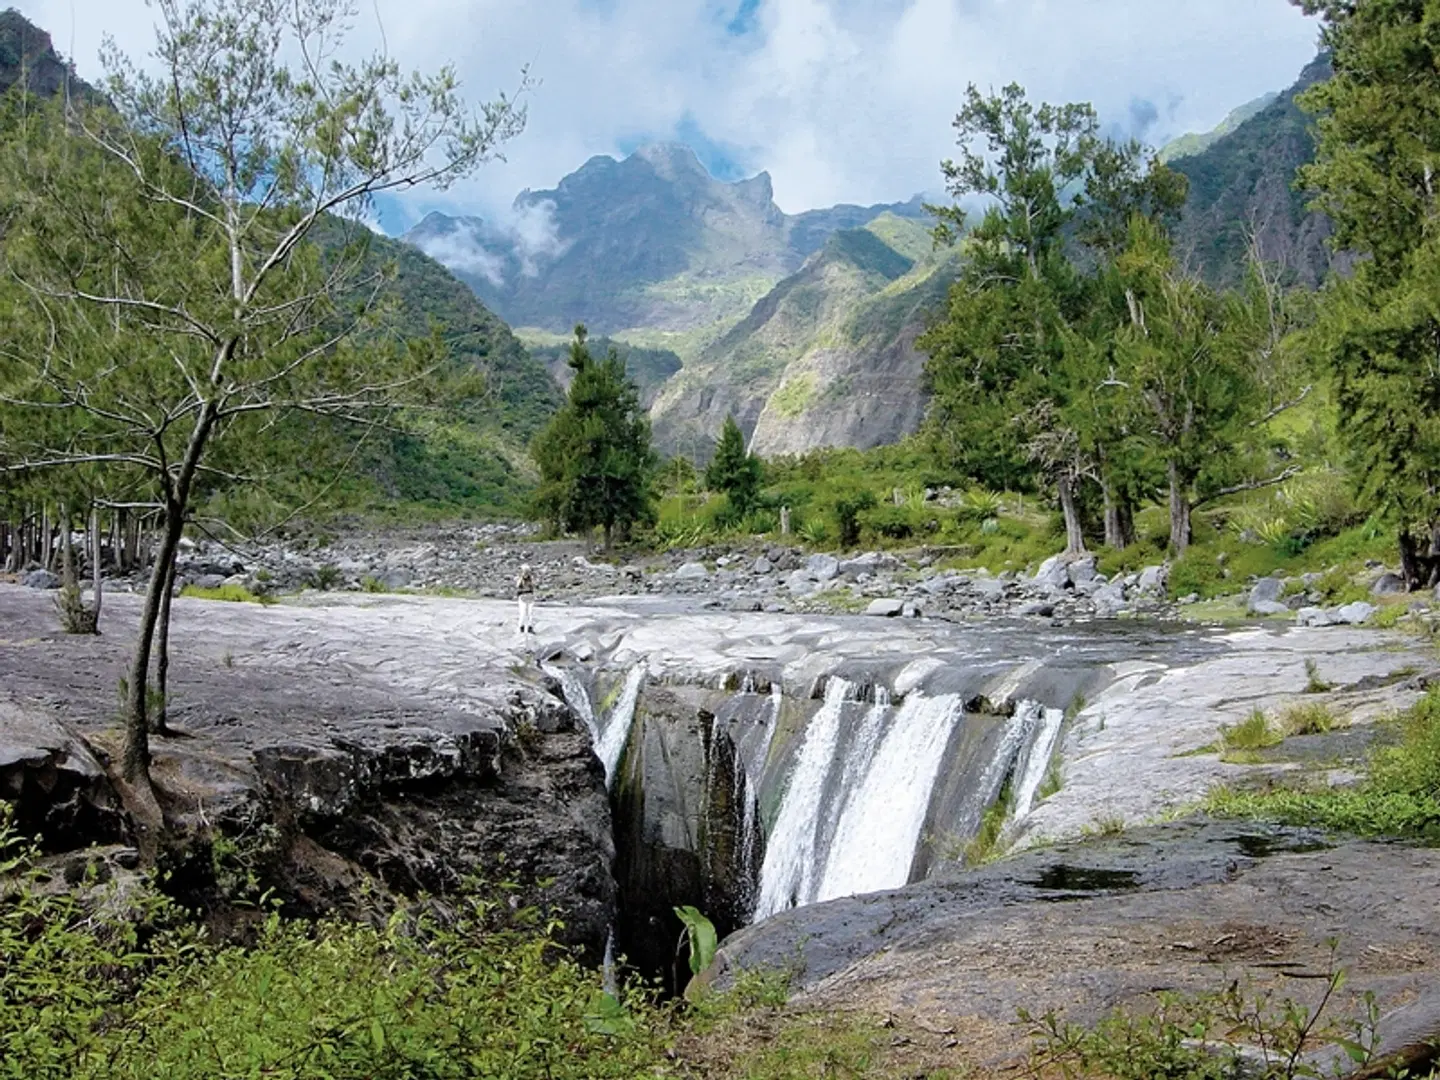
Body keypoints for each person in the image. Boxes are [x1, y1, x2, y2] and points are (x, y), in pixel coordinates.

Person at [515, 563, 536, 634]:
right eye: (525, 571)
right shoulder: (520, 579)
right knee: (523, 613)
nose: (526, 573)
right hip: (523, 597)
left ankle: (530, 627)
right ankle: (521, 627)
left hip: (530, 597)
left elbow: (533, 586)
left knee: (530, 613)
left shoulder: (531, 579)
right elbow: (518, 586)